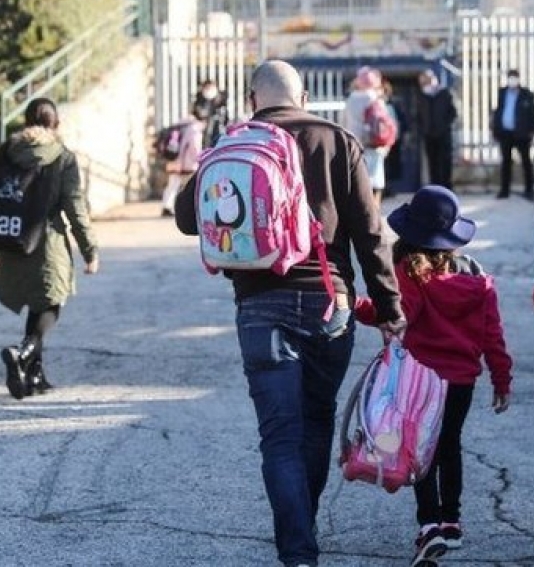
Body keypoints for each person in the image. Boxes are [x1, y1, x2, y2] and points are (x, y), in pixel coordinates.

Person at [173, 59, 405, 567]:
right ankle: (303, 521)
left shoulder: (233, 142)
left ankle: (298, 551)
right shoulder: (337, 140)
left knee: (279, 436)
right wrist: (389, 305)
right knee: (317, 420)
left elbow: (188, 218)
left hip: (258, 305)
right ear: (301, 96)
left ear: (254, 98)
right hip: (330, 301)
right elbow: (370, 232)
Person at [353, 185, 512, 565]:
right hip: (462, 381)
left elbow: (391, 314)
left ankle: (428, 526)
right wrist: (501, 379)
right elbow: (493, 334)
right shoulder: (476, 277)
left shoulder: (411, 274)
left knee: (420, 449)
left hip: (422, 381)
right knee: (449, 445)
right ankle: (452, 521)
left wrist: (354, 305)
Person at [0, 97, 100, 400]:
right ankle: (22, 353)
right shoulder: (62, 157)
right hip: (47, 243)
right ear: (55, 123)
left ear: (26, 122)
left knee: (36, 306)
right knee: (49, 304)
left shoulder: (5, 153)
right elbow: (75, 206)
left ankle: (34, 376)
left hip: (10, 239)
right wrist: (90, 250)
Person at [341, 66, 388, 205]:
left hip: (354, 145)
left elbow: (343, 124)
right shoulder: (376, 100)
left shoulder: (350, 101)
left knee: (358, 182)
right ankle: (375, 213)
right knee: (375, 183)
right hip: (374, 145)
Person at [491, 69, 534, 199]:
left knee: (526, 162)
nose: (512, 80)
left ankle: (529, 190)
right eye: (510, 77)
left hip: (522, 134)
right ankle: (504, 190)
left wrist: (533, 131)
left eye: (514, 78)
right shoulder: (502, 93)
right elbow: (498, 111)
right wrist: (495, 129)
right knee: (506, 162)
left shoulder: (527, 94)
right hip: (505, 133)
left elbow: (533, 114)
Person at [416, 69, 458, 190]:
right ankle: (435, 189)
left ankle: (447, 188)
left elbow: (453, 113)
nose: (424, 85)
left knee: (445, 163)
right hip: (429, 135)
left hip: (444, 134)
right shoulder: (422, 96)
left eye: (426, 82)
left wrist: (444, 126)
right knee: (432, 163)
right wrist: (424, 129)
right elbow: (419, 116)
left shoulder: (445, 93)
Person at [159, 116, 204, 218]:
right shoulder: (194, 129)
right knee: (191, 185)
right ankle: (190, 209)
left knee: (172, 185)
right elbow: (195, 148)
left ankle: (166, 206)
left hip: (173, 159)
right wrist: (199, 159)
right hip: (186, 163)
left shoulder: (179, 125)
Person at [381, 78, 409, 195]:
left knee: (392, 165)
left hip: (393, 140)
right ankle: (383, 189)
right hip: (380, 140)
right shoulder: (374, 104)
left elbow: (402, 120)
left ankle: (389, 187)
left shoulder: (394, 104)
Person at [192, 79, 229, 148]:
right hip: (204, 129)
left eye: (210, 87)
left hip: (218, 127)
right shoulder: (200, 98)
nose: (209, 90)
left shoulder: (220, 97)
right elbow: (196, 112)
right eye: (207, 88)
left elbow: (225, 114)